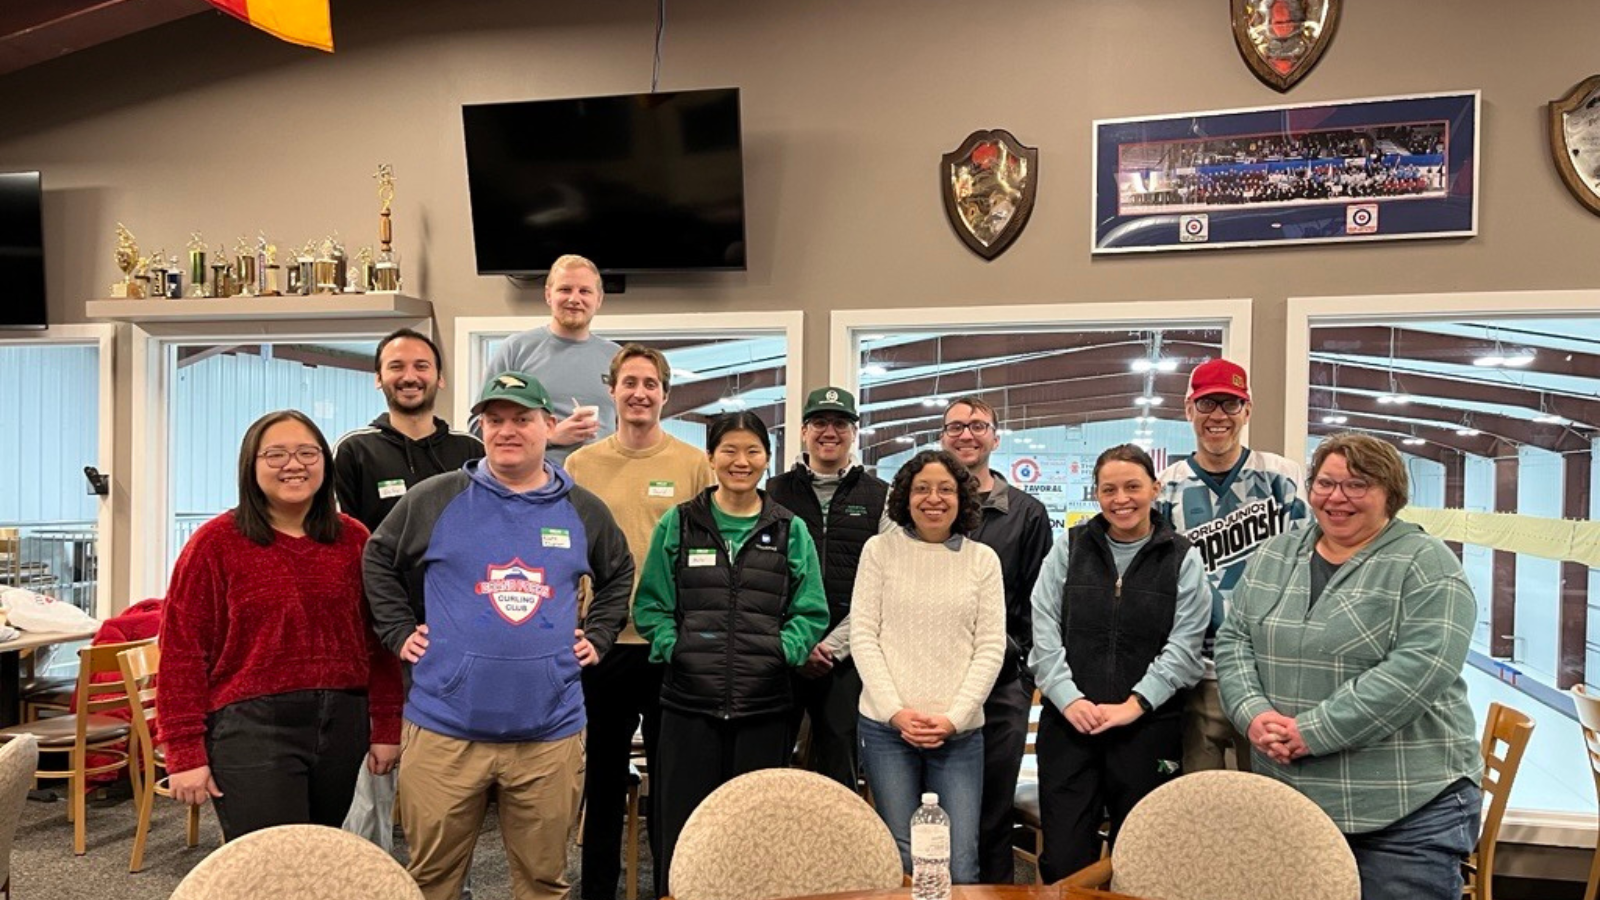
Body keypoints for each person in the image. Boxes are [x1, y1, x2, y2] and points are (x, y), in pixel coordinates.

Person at [363, 371, 634, 900]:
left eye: (521, 419)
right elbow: (377, 557)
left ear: (549, 426)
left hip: (549, 734)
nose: (507, 430)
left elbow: (619, 572)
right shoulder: (436, 499)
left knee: (542, 883)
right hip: (445, 730)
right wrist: (397, 630)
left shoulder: (582, 509)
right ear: (481, 428)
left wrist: (599, 635)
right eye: (494, 420)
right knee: (432, 881)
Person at [1216, 433, 1479, 900]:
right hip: (1292, 804)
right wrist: (1253, 714)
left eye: (1356, 485)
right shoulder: (1276, 554)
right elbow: (1235, 639)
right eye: (1325, 483)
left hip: (1402, 813)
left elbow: (1419, 670)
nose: (1336, 498)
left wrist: (1312, 731)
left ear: (1390, 494)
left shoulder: (1427, 565)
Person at [160, 409, 403, 841]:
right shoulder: (214, 545)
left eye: (307, 452)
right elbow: (181, 654)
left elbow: (377, 645)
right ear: (250, 467)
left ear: (325, 464)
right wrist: (183, 752)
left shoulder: (354, 539)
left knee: (316, 857)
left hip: (342, 724)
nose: (294, 465)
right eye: (275, 455)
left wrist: (385, 726)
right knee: (272, 865)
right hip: (251, 729)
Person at [633, 411, 830, 897]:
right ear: (711, 457)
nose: (741, 462)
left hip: (763, 706)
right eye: (730, 450)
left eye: (752, 452)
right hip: (687, 705)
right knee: (683, 831)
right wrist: (675, 649)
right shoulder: (678, 524)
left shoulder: (790, 530)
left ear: (767, 458)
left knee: (756, 834)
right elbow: (651, 605)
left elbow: (812, 611)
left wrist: (779, 652)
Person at [563, 344, 714, 900]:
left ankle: (673, 889)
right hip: (602, 647)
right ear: (613, 390)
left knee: (672, 786)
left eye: (650, 384)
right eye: (629, 382)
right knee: (601, 780)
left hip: (667, 644)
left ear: (665, 395)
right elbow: (570, 553)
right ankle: (598, 890)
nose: (639, 393)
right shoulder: (582, 464)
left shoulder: (693, 464)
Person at [1027, 444, 1207, 882]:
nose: (1121, 499)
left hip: (1148, 728)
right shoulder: (1069, 548)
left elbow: (1186, 645)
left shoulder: (1182, 557)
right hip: (1071, 726)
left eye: (1132, 486)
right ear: (1096, 494)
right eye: (1109, 489)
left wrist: (1135, 704)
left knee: (1142, 859)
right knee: (1067, 861)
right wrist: (1069, 700)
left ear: (1155, 488)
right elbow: (1043, 625)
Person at [852, 449, 1005, 884]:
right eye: (921, 489)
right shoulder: (879, 551)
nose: (933, 498)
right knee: (902, 854)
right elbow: (864, 636)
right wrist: (895, 712)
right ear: (905, 496)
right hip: (886, 730)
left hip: (958, 734)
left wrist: (954, 718)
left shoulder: (982, 561)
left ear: (962, 498)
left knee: (959, 860)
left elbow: (991, 647)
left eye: (945, 489)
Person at [1155, 358, 1307, 774]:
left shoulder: (1283, 478)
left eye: (1230, 404)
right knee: (1198, 801)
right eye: (1206, 404)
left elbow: (1309, 564)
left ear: (1247, 410)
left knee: (1267, 799)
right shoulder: (1167, 487)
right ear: (1188, 410)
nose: (1218, 416)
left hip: (1267, 674)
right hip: (1194, 674)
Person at [938, 395, 1053, 883]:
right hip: (935, 680)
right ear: (943, 436)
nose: (966, 434)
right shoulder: (928, 507)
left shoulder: (1025, 513)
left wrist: (1018, 666)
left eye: (978, 426)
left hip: (1002, 685)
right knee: (936, 809)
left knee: (992, 809)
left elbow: (1038, 604)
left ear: (995, 437)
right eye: (956, 426)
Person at [765, 385, 889, 789]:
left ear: (855, 432)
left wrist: (834, 648)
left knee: (841, 764)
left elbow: (883, 588)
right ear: (804, 431)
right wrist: (794, 644)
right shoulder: (772, 494)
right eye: (820, 422)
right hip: (781, 650)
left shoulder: (881, 498)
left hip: (848, 657)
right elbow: (756, 580)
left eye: (840, 423)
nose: (829, 431)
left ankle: (842, 851)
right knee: (770, 763)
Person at [334, 328, 484, 532]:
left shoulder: (472, 450)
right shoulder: (353, 451)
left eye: (421, 366)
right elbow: (343, 537)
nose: (410, 377)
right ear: (378, 378)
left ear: (440, 377)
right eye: (396, 367)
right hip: (378, 565)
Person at [480, 254, 621, 465]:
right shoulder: (516, 350)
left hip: (602, 482)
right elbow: (479, 425)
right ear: (548, 295)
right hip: (533, 484)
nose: (574, 299)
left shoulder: (616, 357)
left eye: (585, 291)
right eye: (565, 290)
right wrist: (550, 436)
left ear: (598, 299)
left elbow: (630, 428)